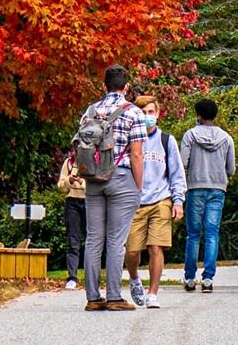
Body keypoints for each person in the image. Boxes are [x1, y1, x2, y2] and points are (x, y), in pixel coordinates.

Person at [78, 65, 148, 311]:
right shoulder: (134, 113)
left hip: (93, 178)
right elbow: (137, 155)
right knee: (116, 241)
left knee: (93, 238)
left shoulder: (90, 111)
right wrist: (138, 187)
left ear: (103, 86)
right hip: (121, 177)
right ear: (126, 87)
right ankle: (115, 297)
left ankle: (93, 297)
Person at [123, 92, 185, 309]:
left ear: (158, 114)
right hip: (135, 202)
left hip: (161, 199)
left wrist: (178, 201)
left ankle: (153, 293)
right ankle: (134, 279)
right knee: (132, 251)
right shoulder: (130, 140)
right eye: (143, 112)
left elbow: (176, 173)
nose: (147, 116)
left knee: (156, 247)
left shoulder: (167, 140)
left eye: (151, 112)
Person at [180, 97, 237, 293]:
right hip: (217, 188)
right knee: (212, 233)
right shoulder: (226, 138)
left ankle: (189, 277)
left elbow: (182, 163)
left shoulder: (190, 136)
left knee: (193, 234)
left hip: (196, 186)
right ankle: (208, 279)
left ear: (198, 115)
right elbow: (231, 169)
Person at [55, 148, 86, 291]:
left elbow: (97, 185)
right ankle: (72, 277)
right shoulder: (69, 163)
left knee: (93, 241)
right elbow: (61, 186)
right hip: (72, 202)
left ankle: (92, 276)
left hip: (89, 202)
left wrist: (82, 182)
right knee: (73, 241)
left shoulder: (94, 161)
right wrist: (69, 180)